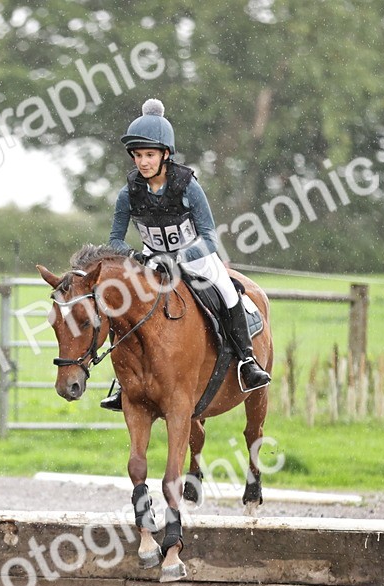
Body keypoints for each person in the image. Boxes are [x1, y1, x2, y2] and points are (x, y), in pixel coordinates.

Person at [101, 98, 271, 411]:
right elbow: (115, 239)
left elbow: (209, 237)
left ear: (165, 154)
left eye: (149, 154)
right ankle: (121, 383)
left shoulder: (187, 185)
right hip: (152, 262)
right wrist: (137, 256)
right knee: (126, 307)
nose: (143, 162)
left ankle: (247, 361)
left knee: (228, 294)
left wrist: (179, 257)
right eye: (138, 155)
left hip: (197, 258)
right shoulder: (128, 193)